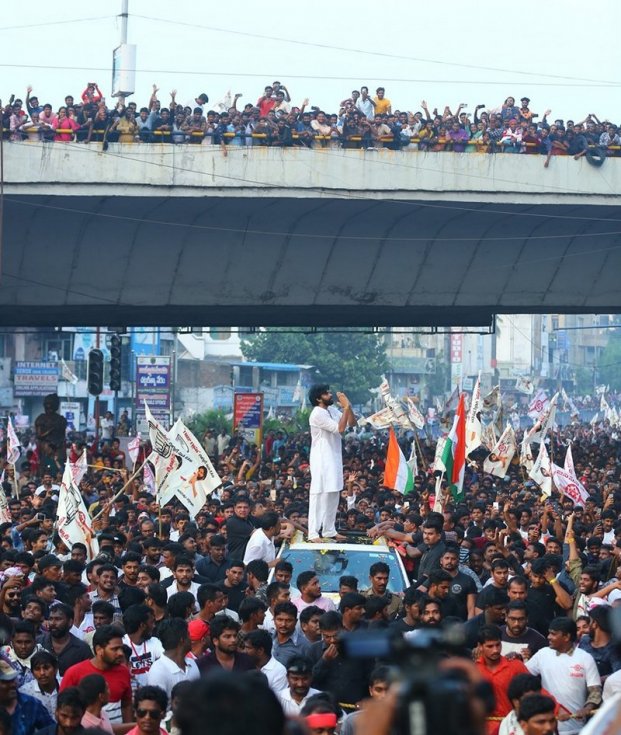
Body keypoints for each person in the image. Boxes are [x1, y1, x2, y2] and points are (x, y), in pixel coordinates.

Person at [526, 617, 602, 735]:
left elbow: (595, 691)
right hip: (547, 728)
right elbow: (522, 676)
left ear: (566, 637)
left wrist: (587, 709)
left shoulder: (585, 658)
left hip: (577, 729)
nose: (548, 637)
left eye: (553, 634)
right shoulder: (542, 654)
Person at [307, 384, 355, 542]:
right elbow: (339, 429)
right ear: (318, 398)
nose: (330, 395)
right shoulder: (317, 413)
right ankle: (313, 532)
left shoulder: (331, 410)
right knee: (318, 493)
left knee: (334, 492)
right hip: (321, 459)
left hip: (334, 457)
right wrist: (346, 407)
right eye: (326, 393)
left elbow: (351, 424)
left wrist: (349, 406)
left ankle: (328, 530)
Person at [61, 625, 133, 724]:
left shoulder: (124, 672)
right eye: (115, 649)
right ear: (99, 650)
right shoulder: (74, 673)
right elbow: (63, 708)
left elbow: (126, 705)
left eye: (121, 648)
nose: (121, 653)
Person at [475, 625, 529, 735]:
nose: (495, 650)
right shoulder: (473, 670)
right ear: (480, 646)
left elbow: (535, 691)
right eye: (490, 646)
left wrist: (556, 709)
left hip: (511, 726)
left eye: (498, 645)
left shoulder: (516, 666)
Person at [145, 619, 199, 700]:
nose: (190, 638)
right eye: (188, 635)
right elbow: (156, 707)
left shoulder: (192, 664)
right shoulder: (158, 671)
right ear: (182, 640)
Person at [0, 658, 54, 735]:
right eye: (6, 682)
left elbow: (51, 730)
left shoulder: (31, 704)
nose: (13, 684)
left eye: (13, 679)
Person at [40, 603, 92, 676]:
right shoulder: (39, 643)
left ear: (70, 622)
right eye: (51, 619)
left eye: (58, 619)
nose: (53, 623)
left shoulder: (82, 649)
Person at [340, 665, 390, 735]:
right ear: (371, 690)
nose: (383, 696)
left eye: (388, 690)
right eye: (378, 690)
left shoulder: (406, 721)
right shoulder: (352, 722)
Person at [18, 651, 59, 718]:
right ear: (32, 672)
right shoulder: (25, 692)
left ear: (55, 669)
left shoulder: (66, 684)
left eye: (46, 668)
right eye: (37, 669)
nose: (42, 673)